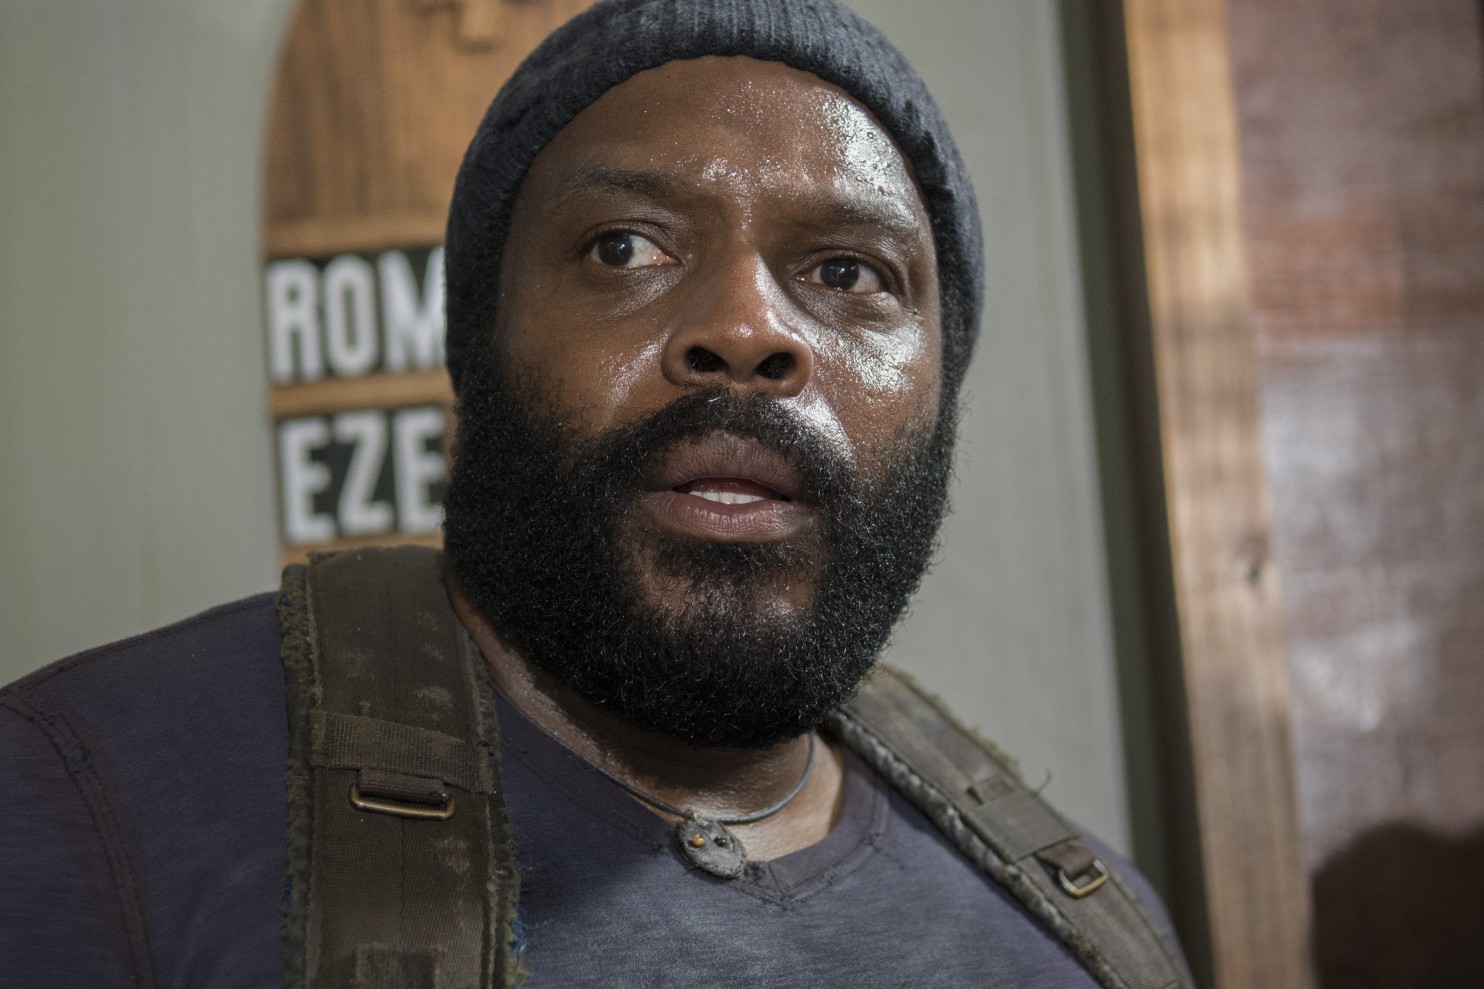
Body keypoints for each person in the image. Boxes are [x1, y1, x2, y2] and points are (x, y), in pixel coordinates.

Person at [0, 1, 1190, 986]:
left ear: (937, 391)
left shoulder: (1092, 934)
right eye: (625, 247)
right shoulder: (79, 809)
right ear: (477, 351)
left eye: (845, 270)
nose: (746, 326)